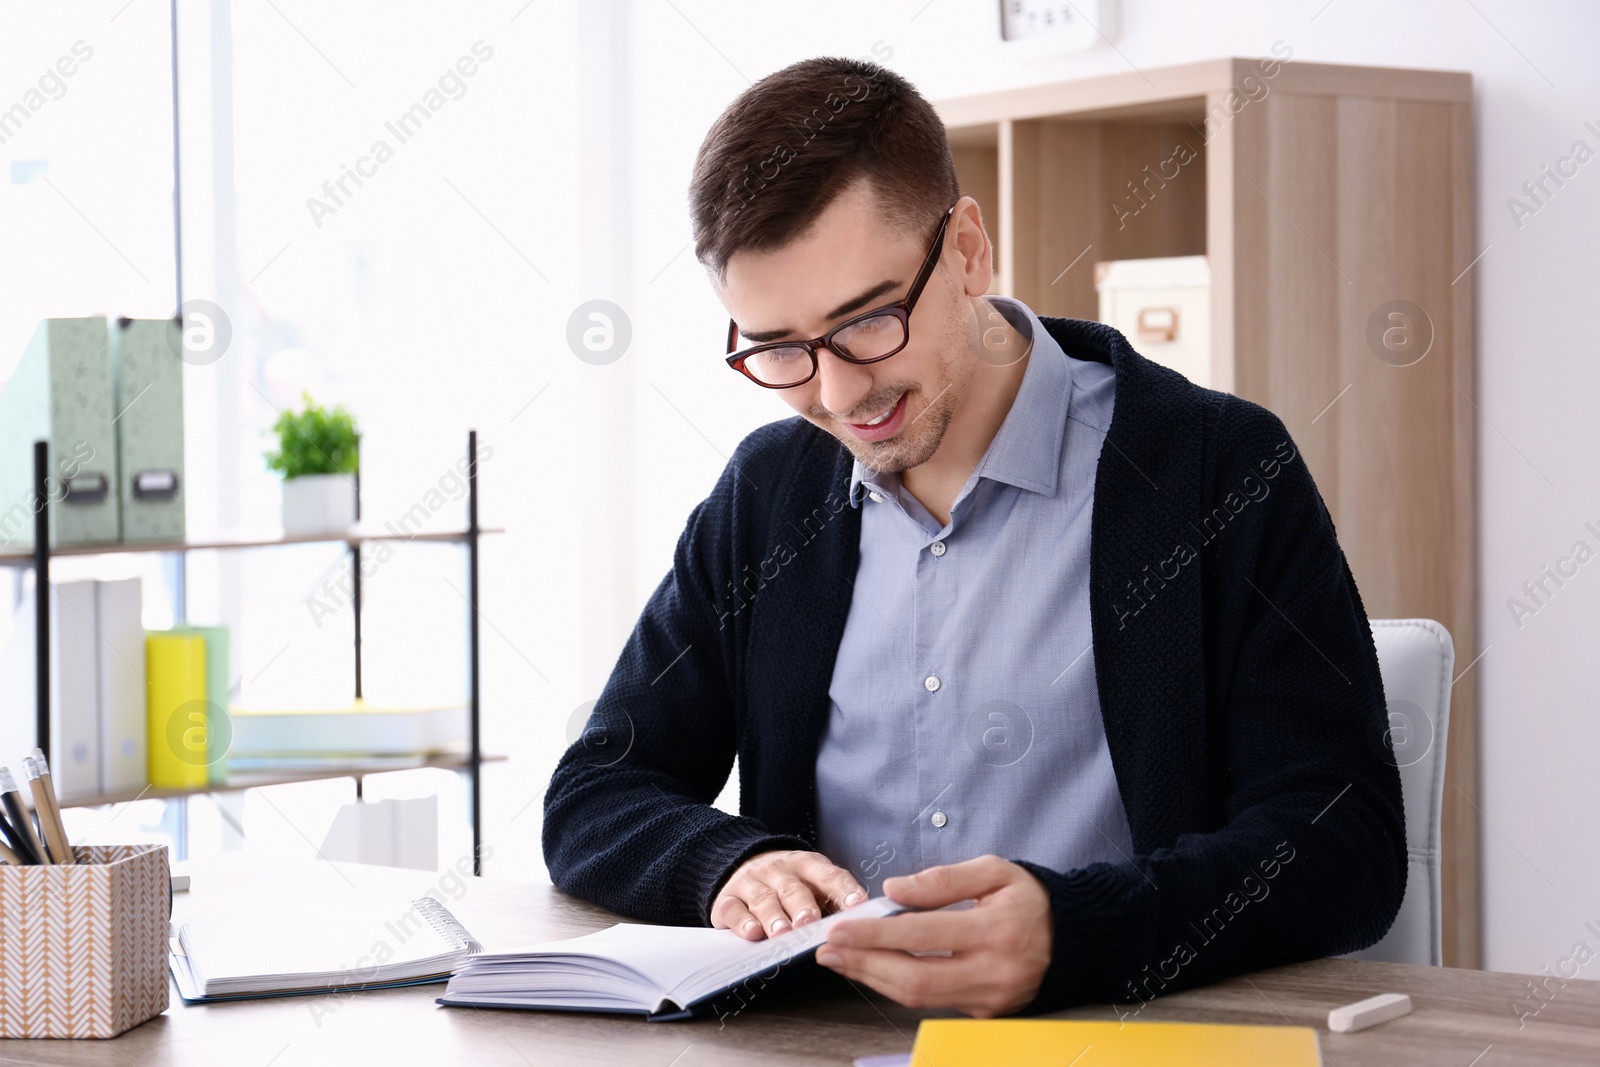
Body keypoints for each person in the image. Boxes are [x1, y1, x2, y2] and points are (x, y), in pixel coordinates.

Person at [543, 56, 1405, 1019]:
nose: (834, 397)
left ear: (965, 250)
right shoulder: (768, 494)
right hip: (825, 1040)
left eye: (867, 321)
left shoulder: (1216, 466)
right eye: (778, 348)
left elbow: (1345, 843)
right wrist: (727, 865)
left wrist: (1078, 929)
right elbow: (597, 791)